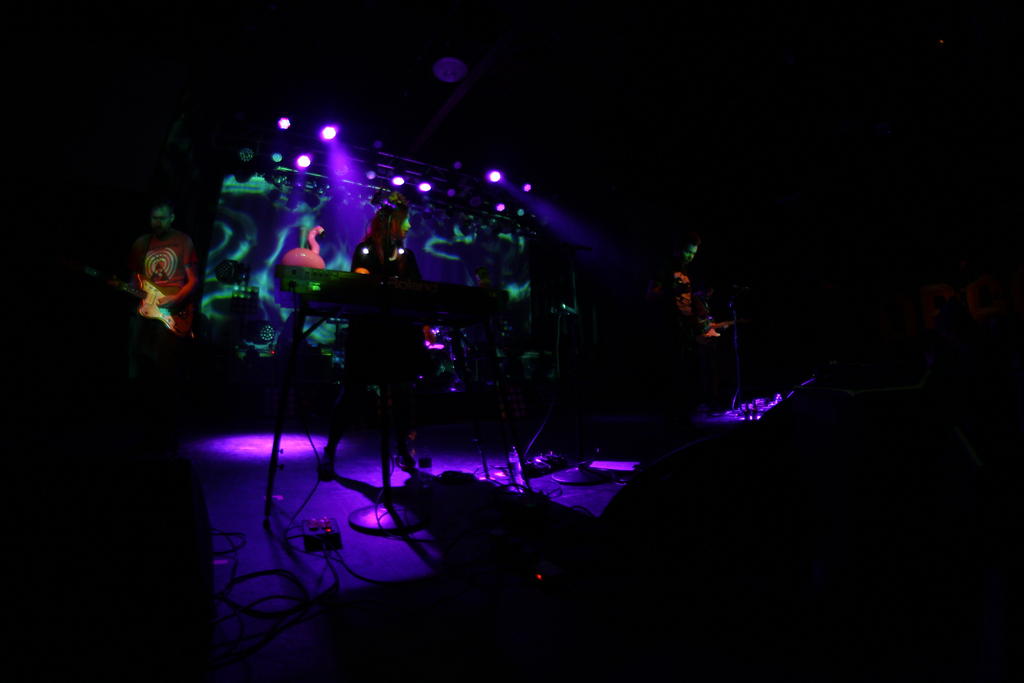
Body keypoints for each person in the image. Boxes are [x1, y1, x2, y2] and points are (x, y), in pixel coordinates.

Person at [321, 190, 431, 479]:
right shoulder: (365, 250)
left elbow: (419, 292)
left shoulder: (409, 256)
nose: (408, 227)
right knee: (352, 394)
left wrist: (424, 324)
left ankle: (403, 448)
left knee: (403, 394)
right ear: (391, 221)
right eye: (405, 221)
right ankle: (329, 451)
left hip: (399, 335)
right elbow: (360, 281)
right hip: (369, 334)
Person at [126, 198, 200, 456]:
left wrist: (177, 298)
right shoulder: (140, 244)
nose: (157, 223)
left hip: (171, 313)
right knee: (138, 365)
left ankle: (166, 433)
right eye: (153, 218)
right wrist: (132, 291)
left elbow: (194, 280)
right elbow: (133, 279)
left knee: (165, 371)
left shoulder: (184, 241)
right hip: (144, 312)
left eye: (162, 218)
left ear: (171, 218)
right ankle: (141, 428)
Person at [646, 230, 722, 433]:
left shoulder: (686, 271)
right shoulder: (664, 267)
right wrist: (674, 292)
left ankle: (684, 416)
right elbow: (651, 294)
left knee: (688, 371)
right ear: (678, 249)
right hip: (669, 327)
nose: (691, 257)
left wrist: (698, 300)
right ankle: (672, 419)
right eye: (688, 252)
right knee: (674, 373)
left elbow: (685, 298)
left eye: (694, 253)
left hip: (685, 327)